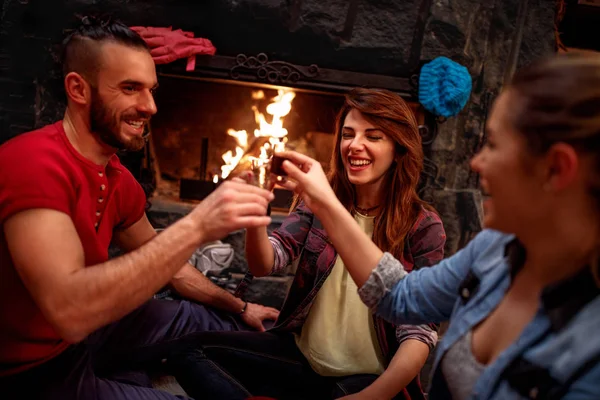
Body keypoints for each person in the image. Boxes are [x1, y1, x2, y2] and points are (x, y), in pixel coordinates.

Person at [270, 52, 600, 399]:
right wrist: (323, 202)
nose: (476, 162)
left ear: (556, 169)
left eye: (494, 145)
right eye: (348, 134)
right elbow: (399, 295)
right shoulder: (492, 250)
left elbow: (416, 330)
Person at [0, 18, 277, 399]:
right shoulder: (32, 164)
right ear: (78, 89)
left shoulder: (116, 176)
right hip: (34, 372)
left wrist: (241, 306)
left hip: (89, 337)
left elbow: (170, 265)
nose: (149, 106)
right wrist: (196, 226)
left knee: (219, 322)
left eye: (151, 90)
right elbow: (70, 312)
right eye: (130, 88)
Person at [166, 88, 447, 400]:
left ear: (399, 148)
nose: (355, 146)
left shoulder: (424, 226)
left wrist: (374, 396)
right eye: (348, 134)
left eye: (374, 136)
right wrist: (258, 214)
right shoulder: (316, 200)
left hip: (367, 379)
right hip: (302, 358)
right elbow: (265, 264)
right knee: (188, 351)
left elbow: (420, 332)